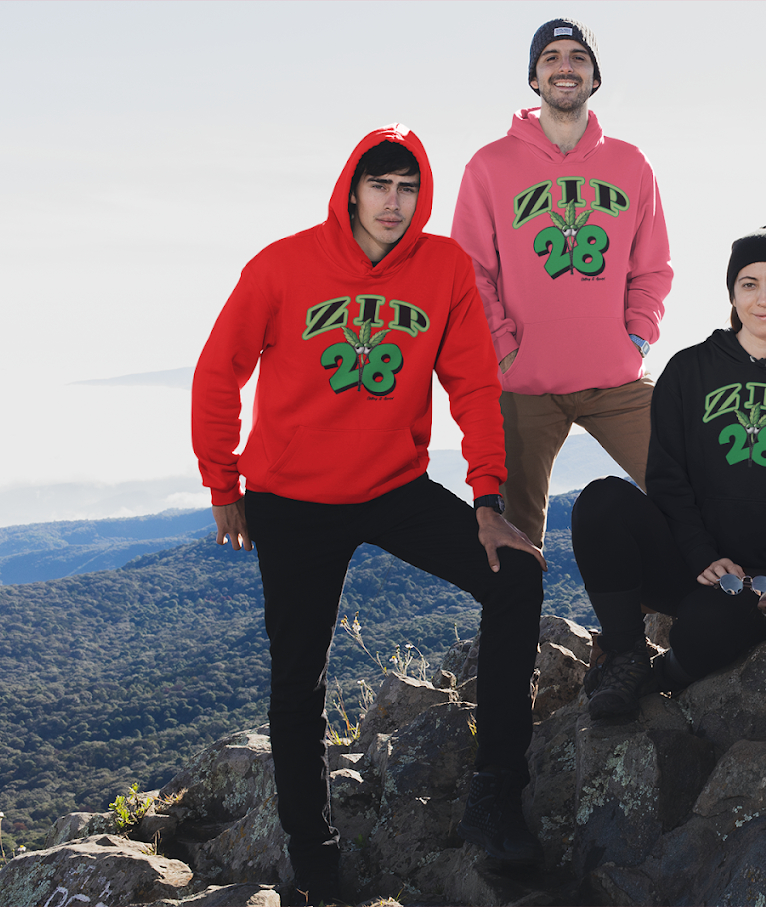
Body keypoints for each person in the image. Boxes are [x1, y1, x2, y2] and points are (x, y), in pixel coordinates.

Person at [191, 125, 550, 898]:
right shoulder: (284, 265)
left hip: (393, 485)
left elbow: (474, 385)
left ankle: (495, 794)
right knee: (298, 682)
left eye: (409, 187)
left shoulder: (445, 266)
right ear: (352, 188)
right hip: (291, 498)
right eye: (381, 185)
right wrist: (223, 483)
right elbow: (220, 369)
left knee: (514, 575)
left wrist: (487, 498)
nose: (394, 202)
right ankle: (314, 856)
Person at [570, 225, 766, 719]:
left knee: (713, 623)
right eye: (749, 284)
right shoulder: (689, 371)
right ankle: (624, 655)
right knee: (601, 501)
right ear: (732, 294)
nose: (764, 298)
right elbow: (666, 479)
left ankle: (658, 679)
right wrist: (701, 555)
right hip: (686, 557)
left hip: (763, 579)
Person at [451, 17, 673, 549]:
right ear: (534, 78)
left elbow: (653, 266)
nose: (564, 67)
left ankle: (682, 614)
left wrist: (637, 337)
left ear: (595, 77)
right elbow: (470, 271)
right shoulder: (490, 165)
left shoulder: (631, 163)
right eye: (551, 58)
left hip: (617, 380)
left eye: (578, 57)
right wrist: (505, 350)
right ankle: (515, 632)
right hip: (525, 383)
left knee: (686, 490)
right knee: (516, 534)